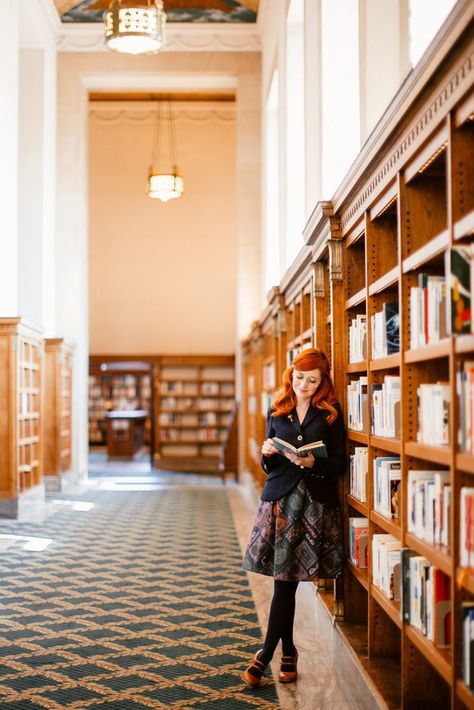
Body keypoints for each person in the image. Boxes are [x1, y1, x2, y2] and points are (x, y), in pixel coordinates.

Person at [241, 348, 346, 688]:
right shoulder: (277, 409)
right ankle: (283, 651)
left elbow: (340, 462)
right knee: (283, 582)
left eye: (312, 380)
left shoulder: (330, 413)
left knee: (285, 583)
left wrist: (315, 463)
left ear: (322, 382)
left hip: (314, 504)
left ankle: (267, 654)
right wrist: (266, 453)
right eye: (299, 378)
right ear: (291, 376)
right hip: (280, 503)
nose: (304, 385)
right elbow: (268, 467)